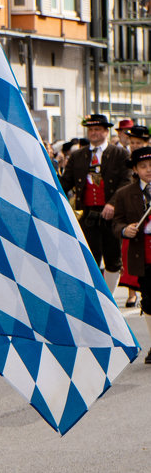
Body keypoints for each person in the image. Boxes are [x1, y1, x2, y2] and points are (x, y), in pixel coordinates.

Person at [60, 114, 130, 294]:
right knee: (89, 257)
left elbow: (127, 180)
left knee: (113, 258)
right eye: (91, 129)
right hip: (88, 213)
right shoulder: (78, 156)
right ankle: (95, 297)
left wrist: (113, 203)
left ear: (106, 132)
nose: (93, 133)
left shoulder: (120, 154)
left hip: (112, 214)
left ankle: (110, 298)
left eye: (97, 129)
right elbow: (65, 182)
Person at [113, 145, 151, 364]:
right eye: (143, 166)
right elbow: (116, 223)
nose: (148, 170)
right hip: (142, 256)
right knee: (149, 301)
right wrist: (124, 229)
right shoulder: (125, 194)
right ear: (135, 169)